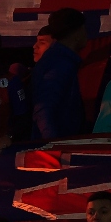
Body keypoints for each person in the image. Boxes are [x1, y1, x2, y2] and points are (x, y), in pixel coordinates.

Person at [32, 8, 87, 140]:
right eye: (84, 29)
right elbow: (44, 107)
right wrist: (53, 144)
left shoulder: (58, 60)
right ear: (77, 33)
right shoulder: (61, 63)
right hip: (54, 148)